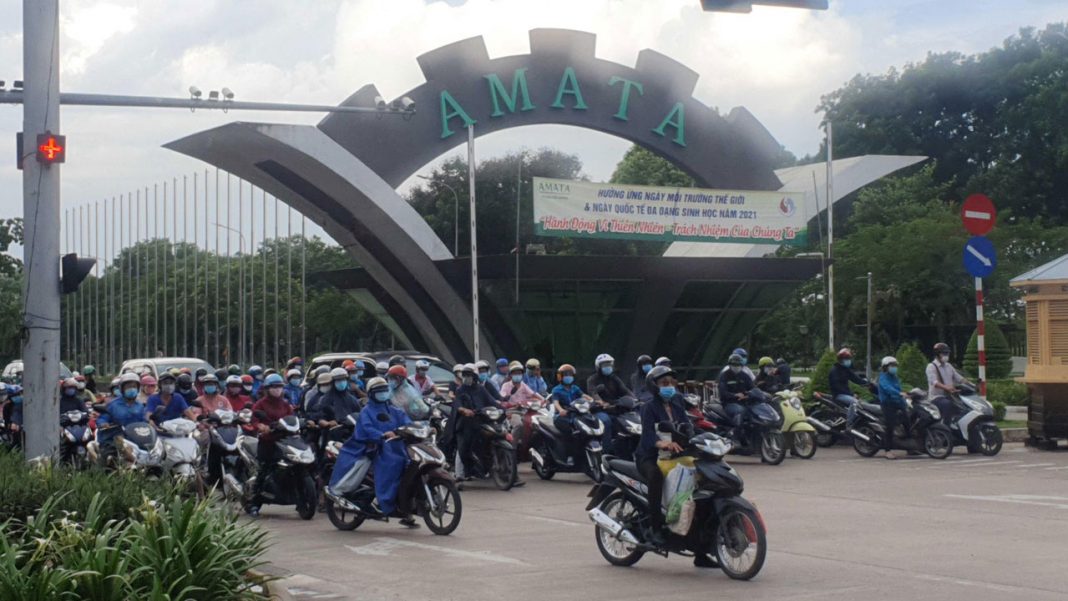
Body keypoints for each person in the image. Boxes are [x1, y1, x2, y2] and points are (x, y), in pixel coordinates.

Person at [325, 377, 416, 526]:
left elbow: (406, 421)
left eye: (385, 390)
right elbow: (366, 429)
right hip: (372, 446)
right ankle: (382, 501)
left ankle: (403, 505)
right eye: (379, 391)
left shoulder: (392, 409)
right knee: (392, 464)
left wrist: (417, 429)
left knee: (410, 464)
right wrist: (381, 435)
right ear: (371, 394)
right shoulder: (367, 411)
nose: (383, 393)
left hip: (394, 446)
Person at [635, 365, 692, 551]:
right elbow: (648, 436)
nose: (669, 386)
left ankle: (698, 548)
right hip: (649, 456)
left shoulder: (677, 401)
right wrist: (663, 444)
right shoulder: (648, 408)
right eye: (663, 383)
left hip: (675, 453)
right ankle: (655, 526)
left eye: (671, 382)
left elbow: (687, 425)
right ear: (654, 386)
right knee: (656, 476)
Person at [246, 375, 295, 517]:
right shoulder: (260, 404)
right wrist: (261, 426)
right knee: (264, 470)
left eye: (279, 386)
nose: (277, 389)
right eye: (274, 387)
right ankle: (254, 503)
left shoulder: (285, 404)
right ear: (267, 389)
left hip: (285, 441)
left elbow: (292, 418)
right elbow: (254, 420)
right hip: (268, 442)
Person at [454, 363, 500, 479]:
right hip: (466, 424)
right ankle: (461, 474)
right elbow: (457, 404)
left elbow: (492, 402)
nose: (466, 377)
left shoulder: (481, 389)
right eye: (464, 375)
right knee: (464, 448)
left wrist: (505, 410)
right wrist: (464, 410)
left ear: (474, 376)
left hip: (483, 420)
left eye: (469, 375)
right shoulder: (460, 390)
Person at [95, 374, 147, 462]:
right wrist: (103, 423)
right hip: (114, 438)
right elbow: (102, 418)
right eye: (128, 386)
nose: (131, 389)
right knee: (109, 459)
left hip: (135, 439)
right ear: (122, 389)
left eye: (134, 386)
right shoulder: (113, 405)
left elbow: (144, 422)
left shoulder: (140, 406)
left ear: (138, 388)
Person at [926, 342, 971, 424]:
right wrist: (947, 387)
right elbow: (934, 382)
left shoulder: (948, 366)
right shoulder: (931, 366)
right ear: (937, 354)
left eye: (947, 353)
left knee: (965, 408)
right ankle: (946, 428)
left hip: (951, 396)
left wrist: (971, 384)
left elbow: (959, 378)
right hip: (936, 397)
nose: (946, 355)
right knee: (948, 405)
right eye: (944, 353)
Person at [877, 356, 909, 460]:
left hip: (897, 402)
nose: (894, 368)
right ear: (886, 367)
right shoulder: (882, 377)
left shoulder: (894, 377)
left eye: (895, 366)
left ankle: (909, 447)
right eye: (892, 366)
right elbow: (888, 388)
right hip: (887, 404)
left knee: (908, 420)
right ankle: (888, 450)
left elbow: (899, 389)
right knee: (890, 425)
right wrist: (899, 393)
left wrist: (907, 395)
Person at [829, 348, 871, 421]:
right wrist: (851, 394)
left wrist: (868, 383)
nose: (849, 360)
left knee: (865, 403)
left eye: (849, 358)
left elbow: (855, 378)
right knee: (855, 402)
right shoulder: (834, 370)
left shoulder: (846, 369)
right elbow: (837, 386)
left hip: (846, 394)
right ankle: (849, 424)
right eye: (846, 358)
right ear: (841, 359)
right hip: (838, 395)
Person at [717, 353, 755, 432]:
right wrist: (735, 395)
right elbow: (723, 393)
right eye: (734, 365)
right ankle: (736, 434)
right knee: (740, 411)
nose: (736, 367)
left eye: (738, 365)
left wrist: (749, 395)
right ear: (730, 365)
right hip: (729, 403)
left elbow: (753, 388)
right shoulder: (724, 376)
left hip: (745, 402)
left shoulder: (745, 376)